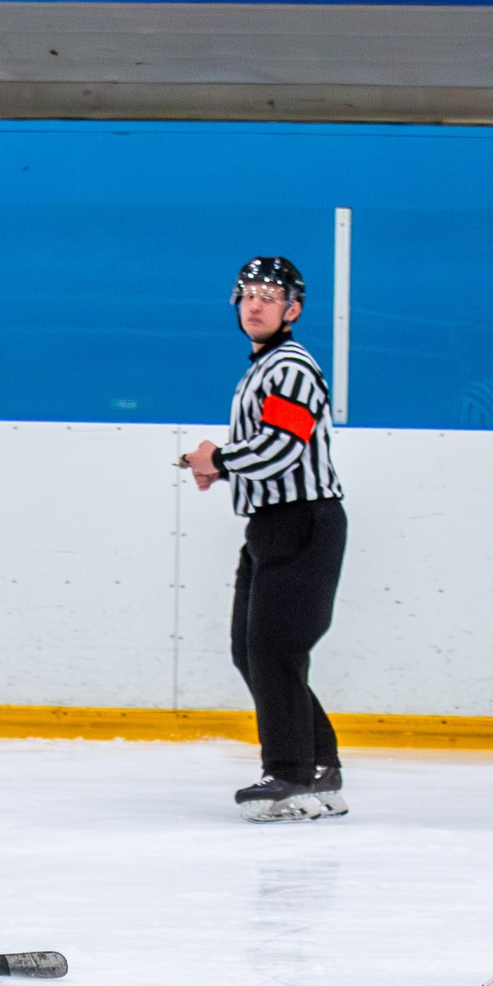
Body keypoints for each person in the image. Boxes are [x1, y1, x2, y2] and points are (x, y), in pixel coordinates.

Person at [180, 257, 349, 822]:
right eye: (247, 294)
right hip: (273, 526)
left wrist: (219, 459)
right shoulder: (263, 367)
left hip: (302, 522)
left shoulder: (290, 368)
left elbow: (283, 446)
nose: (254, 304)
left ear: (292, 310)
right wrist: (217, 466)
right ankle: (319, 765)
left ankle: (289, 774)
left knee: (275, 651)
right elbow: (272, 450)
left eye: (269, 297)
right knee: (253, 652)